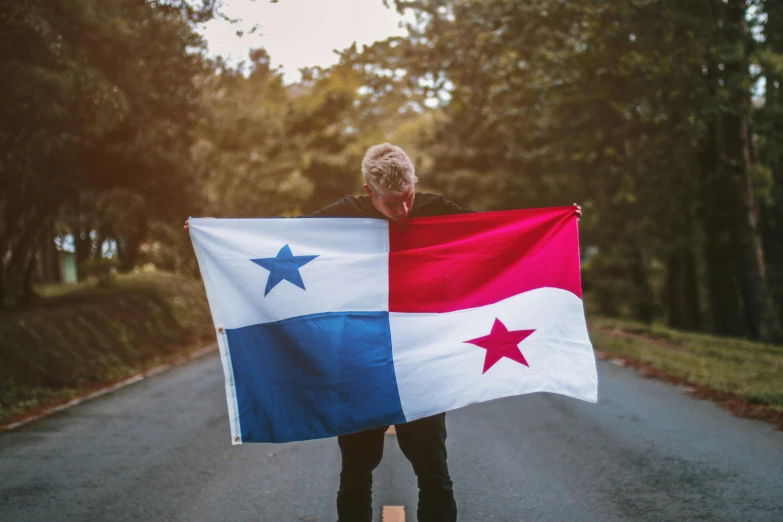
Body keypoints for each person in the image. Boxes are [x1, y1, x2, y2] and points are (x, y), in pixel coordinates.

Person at [185, 143, 581, 522]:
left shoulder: (436, 209)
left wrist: (558, 223)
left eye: (408, 197)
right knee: (356, 474)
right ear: (368, 192)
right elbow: (282, 238)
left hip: (424, 360)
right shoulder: (340, 217)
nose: (404, 209)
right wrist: (211, 232)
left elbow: (495, 236)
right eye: (391, 202)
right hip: (359, 364)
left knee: (434, 472)